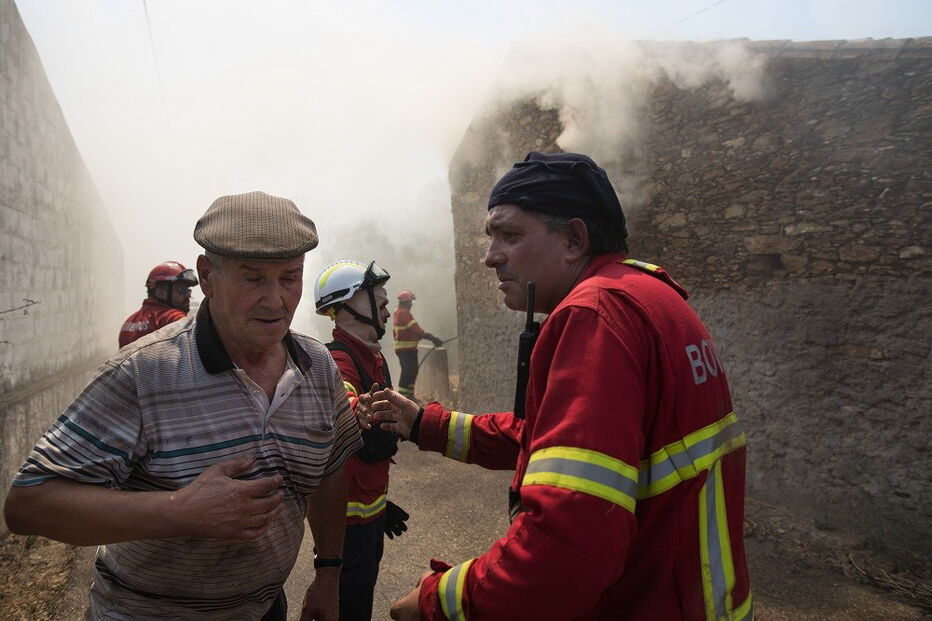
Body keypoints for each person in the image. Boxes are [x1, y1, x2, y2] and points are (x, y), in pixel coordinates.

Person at [366, 152, 752, 620]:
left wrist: (440, 600)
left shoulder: (593, 316)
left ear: (573, 238)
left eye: (510, 235)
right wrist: (425, 422)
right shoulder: (648, 295)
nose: (490, 257)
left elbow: (569, 543)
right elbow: (553, 442)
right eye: (490, 238)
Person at [4, 191, 361, 620]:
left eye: (290, 277)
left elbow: (329, 471)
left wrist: (328, 575)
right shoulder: (143, 373)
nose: (276, 299)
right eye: (252, 278)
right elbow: (29, 504)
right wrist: (180, 512)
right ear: (207, 276)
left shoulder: (317, 365)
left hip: (264, 608)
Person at [314, 259, 411, 620]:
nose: (387, 311)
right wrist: (359, 410)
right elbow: (347, 403)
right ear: (351, 305)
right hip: (348, 527)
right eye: (381, 303)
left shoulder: (372, 355)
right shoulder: (338, 358)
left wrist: (380, 506)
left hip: (368, 510)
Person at [118, 260, 199, 347]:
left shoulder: (129, 322)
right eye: (181, 290)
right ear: (161, 291)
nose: (188, 296)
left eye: (188, 290)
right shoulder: (173, 318)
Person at [392, 290, 444, 400]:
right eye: (411, 302)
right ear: (407, 302)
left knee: (412, 371)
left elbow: (406, 331)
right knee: (408, 372)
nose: (411, 305)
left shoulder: (397, 312)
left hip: (405, 349)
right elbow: (417, 330)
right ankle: (403, 397)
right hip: (406, 350)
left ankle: (409, 395)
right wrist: (433, 338)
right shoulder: (404, 313)